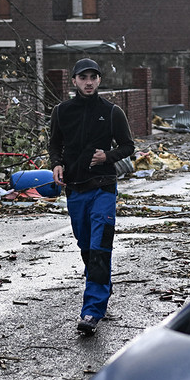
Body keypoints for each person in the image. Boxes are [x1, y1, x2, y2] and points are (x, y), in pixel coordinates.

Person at [49, 58, 135, 334]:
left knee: (100, 247)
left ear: (99, 80)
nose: (88, 82)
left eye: (93, 77)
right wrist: (56, 163)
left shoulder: (111, 112)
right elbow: (54, 144)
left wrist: (107, 156)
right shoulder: (61, 112)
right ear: (74, 80)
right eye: (83, 77)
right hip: (76, 189)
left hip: (103, 187)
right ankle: (102, 285)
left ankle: (92, 311)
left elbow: (128, 146)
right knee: (86, 247)